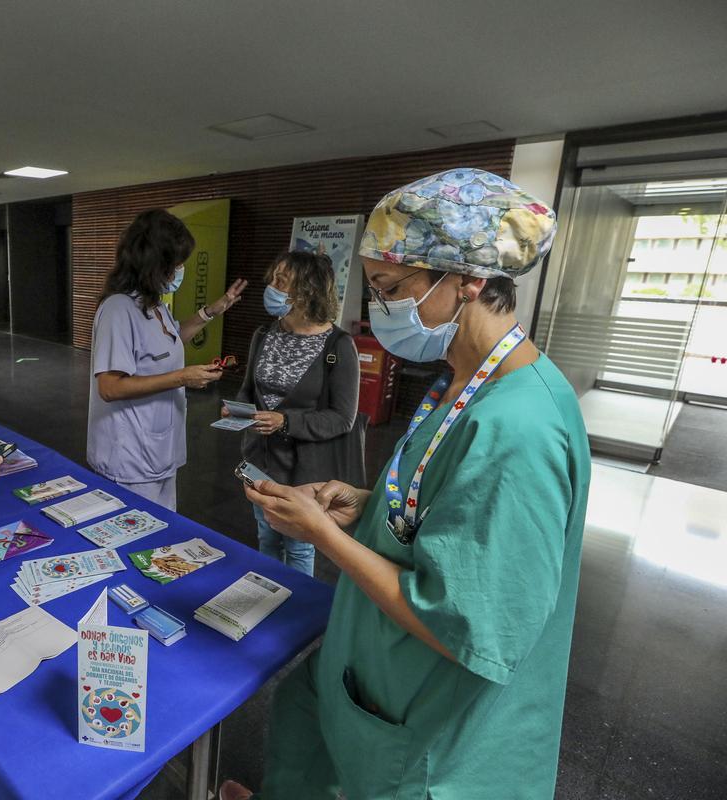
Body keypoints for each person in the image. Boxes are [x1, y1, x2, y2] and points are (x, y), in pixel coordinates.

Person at [221, 168, 590, 800]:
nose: (379, 309)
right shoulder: (463, 380)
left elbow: (466, 620)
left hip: (425, 712)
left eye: (391, 288)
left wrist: (322, 538)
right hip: (371, 660)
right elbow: (446, 511)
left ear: (468, 282)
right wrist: (364, 506)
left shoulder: (519, 428)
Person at [88, 209, 247, 510]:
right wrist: (182, 377)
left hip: (159, 448)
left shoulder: (153, 303)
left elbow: (170, 339)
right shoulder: (118, 311)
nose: (180, 270)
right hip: (129, 456)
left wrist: (213, 310)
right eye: (176, 264)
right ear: (153, 263)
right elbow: (109, 387)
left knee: (163, 532)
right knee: (137, 537)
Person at [228, 250, 359, 576]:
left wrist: (286, 422)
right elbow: (249, 388)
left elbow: (342, 418)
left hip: (304, 473)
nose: (271, 287)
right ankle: (266, 594)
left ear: (308, 289)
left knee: (299, 546)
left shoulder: (338, 346)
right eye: (272, 279)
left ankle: (296, 610)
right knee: (266, 536)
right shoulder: (265, 333)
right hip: (260, 461)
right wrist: (237, 409)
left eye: (281, 281)